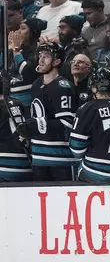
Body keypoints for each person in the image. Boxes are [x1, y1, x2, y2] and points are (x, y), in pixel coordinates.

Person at [16, 42, 78, 181]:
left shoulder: (63, 87)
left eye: (47, 56)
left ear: (57, 61)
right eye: (40, 56)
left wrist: (37, 124)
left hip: (60, 159)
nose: (41, 60)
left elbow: (67, 124)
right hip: (38, 157)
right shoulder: (37, 84)